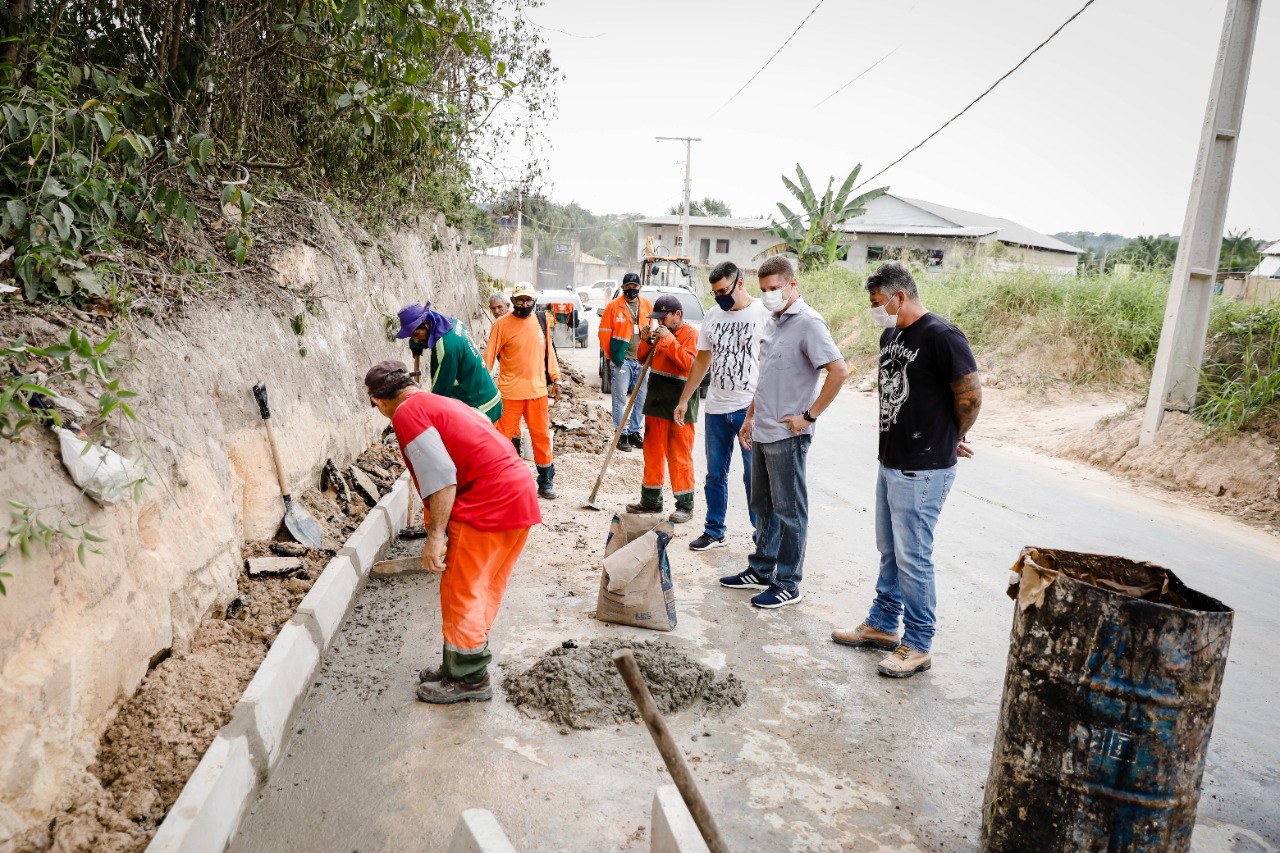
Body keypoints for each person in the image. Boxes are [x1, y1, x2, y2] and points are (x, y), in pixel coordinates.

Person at [830, 261, 981, 678]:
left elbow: (969, 396)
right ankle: (882, 624)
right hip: (892, 460)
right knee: (891, 551)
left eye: (879, 302)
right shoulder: (890, 334)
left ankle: (918, 643)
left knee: (914, 556)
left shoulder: (942, 336)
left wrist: (952, 435)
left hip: (924, 468)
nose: (875, 309)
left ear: (900, 296)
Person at [364, 361, 540, 704]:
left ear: (377, 401)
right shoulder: (438, 402)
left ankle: (472, 680)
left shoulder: (405, 415)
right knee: (483, 586)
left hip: (488, 502)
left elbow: (441, 478)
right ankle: (458, 666)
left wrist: (436, 537)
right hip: (518, 495)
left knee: (462, 590)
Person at [719, 257, 848, 608]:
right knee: (762, 505)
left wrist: (809, 416)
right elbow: (766, 380)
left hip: (788, 435)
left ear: (792, 284)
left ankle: (788, 582)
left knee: (790, 512)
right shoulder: (774, 322)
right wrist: (749, 418)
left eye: (775, 289)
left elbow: (838, 371)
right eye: (764, 290)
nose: (770, 295)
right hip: (761, 430)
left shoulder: (809, 323)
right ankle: (761, 569)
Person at [673, 261, 768, 551]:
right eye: (714, 293)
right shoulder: (713, 316)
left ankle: (762, 538)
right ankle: (714, 530)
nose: (719, 298)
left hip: (748, 410)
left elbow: (772, 364)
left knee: (754, 478)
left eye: (723, 291)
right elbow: (702, 359)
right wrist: (685, 398)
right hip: (715, 409)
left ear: (740, 282)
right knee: (715, 475)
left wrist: (759, 410)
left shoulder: (764, 313)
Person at [483, 281, 561, 499]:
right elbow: (488, 357)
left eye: (528, 300)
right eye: (520, 300)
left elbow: (549, 353)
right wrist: (480, 386)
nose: (524, 304)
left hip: (537, 393)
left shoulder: (541, 319)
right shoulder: (501, 325)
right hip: (509, 394)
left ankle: (545, 482)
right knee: (503, 439)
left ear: (534, 301)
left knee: (541, 438)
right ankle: (503, 481)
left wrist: (556, 379)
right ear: (513, 302)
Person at [625, 294, 699, 523]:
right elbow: (641, 359)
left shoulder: (691, 334)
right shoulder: (660, 334)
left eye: (663, 318)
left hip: (680, 404)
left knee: (679, 455)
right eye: (656, 319)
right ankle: (651, 500)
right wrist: (646, 341)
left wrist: (667, 340)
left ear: (677, 315)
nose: (659, 323)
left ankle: (685, 505)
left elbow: (689, 364)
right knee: (653, 453)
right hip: (657, 401)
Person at [396, 302, 502, 424]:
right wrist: (416, 344)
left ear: (426, 324)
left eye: (416, 335)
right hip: (488, 394)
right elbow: (426, 336)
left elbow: (439, 393)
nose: (415, 339)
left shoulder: (446, 349)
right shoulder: (451, 322)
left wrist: (422, 418)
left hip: (481, 406)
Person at [598, 273, 652, 452]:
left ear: (640, 287)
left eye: (634, 287)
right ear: (622, 288)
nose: (631, 291)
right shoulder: (614, 307)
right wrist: (613, 357)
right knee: (620, 398)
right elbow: (604, 333)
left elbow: (651, 332)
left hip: (642, 361)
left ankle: (634, 432)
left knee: (641, 398)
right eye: (627, 288)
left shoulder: (646, 305)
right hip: (623, 361)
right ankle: (621, 433)